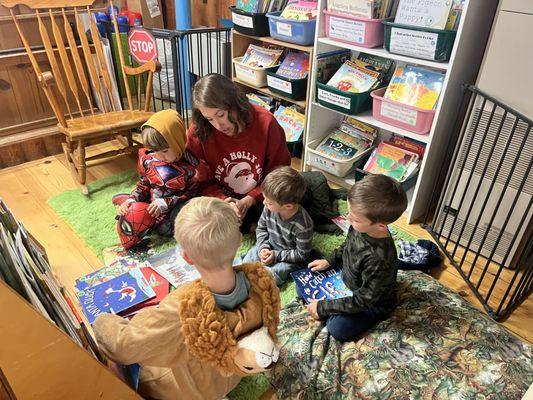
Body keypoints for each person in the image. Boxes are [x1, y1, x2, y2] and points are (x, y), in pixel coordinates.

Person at [94, 197, 280, 400]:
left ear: (186, 257)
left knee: (131, 362)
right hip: (233, 374)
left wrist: (103, 321)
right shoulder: (263, 281)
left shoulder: (183, 307)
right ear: (240, 241)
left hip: (191, 390)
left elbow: (123, 347)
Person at [306, 174, 408, 342]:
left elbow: (363, 301)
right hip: (349, 280)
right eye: (350, 213)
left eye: (355, 218)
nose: (348, 219)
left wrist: (324, 307)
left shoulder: (378, 259)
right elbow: (348, 246)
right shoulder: (360, 226)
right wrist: (330, 260)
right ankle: (330, 305)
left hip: (371, 304)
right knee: (310, 272)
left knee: (337, 329)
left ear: (381, 226)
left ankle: (331, 312)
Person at [186, 73, 291, 231]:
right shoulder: (199, 129)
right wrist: (222, 200)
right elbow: (199, 179)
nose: (218, 125)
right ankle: (249, 226)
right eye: (210, 119)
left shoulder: (266, 123)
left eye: (221, 115)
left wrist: (251, 198)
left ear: (235, 103)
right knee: (191, 216)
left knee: (287, 209)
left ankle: (250, 225)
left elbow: (278, 172)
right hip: (218, 200)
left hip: (262, 198)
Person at [114, 109, 211, 240]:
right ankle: (127, 200)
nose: (159, 156)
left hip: (176, 206)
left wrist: (166, 202)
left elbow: (190, 195)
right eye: (154, 150)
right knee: (130, 215)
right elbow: (143, 185)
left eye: (165, 150)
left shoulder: (192, 166)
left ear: (178, 142)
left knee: (183, 223)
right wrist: (132, 200)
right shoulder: (149, 159)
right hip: (151, 205)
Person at [238, 166, 314, 286]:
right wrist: (263, 247)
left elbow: (302, 254)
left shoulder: (303, 225)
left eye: (268, 202)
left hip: (287, 257)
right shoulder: (269, 208)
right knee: (247, 260)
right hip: (269, 246)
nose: (264, 203)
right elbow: (261, 228)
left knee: (272, 275)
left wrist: (275, 256)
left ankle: (255, 285)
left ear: (288, 206)